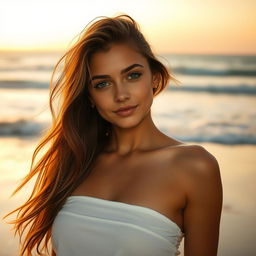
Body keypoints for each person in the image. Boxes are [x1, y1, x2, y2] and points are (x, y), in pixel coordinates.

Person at [3, 14, 223, 256]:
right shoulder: (77, 160)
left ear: (155, 78)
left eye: (132, 75)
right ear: (90, 97)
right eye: (102, 84)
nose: (121, 95)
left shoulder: (195, 167)